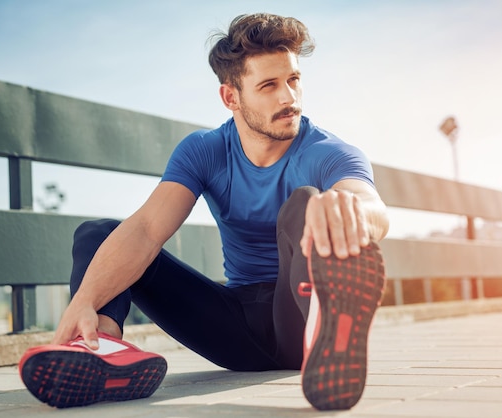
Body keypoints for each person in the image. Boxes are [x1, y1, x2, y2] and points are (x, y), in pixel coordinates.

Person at [19, 12, 389, 411]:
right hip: (236, 328)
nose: (289, 97)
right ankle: (101, 349)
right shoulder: (205, 150)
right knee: (99, 233)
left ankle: (327, 331)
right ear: (231, 96)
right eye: (269, 85)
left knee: (306, 204)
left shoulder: (328, 152)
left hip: (297, 318)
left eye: (293, 80)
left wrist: (350, 209)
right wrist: (84, 302)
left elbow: (372, 207)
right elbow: (145, 230)